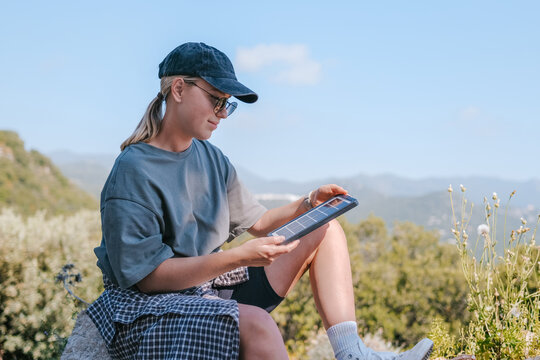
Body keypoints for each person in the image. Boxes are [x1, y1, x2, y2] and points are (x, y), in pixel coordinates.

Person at [86, 42, 433, 360]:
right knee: (258, 326)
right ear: (179, 89)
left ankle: (352, 354)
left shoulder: (211, 158)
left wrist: (309, 204)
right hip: (150, 309)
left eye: (227, 104)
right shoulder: (133, 170)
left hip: (207, 288)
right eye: (216, 100)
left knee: (325, 228)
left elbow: (262, 223)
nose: (222, 113)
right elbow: (148, 278)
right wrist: (238, 257)